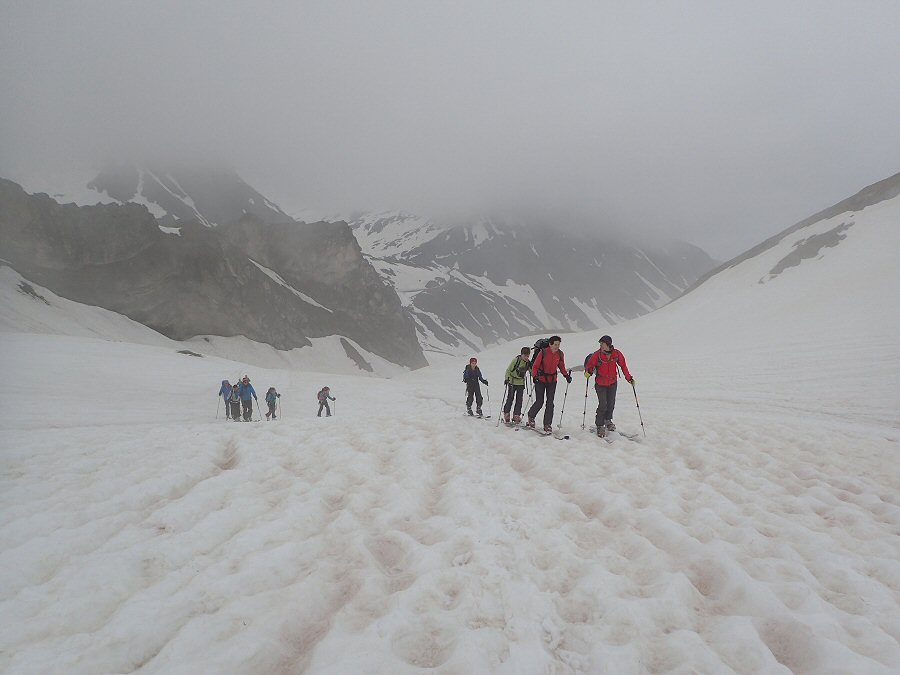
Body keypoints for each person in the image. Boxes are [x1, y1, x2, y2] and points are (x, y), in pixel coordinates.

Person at [584, 335, 634, 438]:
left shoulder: (616, 354)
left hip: (612, 383)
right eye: (600, 343)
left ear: (608, 344)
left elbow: (623, 366)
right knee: (603, 404)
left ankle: (608, 420)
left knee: (611, 403)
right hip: (600, 384)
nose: (600, 345)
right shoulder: (597, 355)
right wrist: (588, 372)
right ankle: (599, 425)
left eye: (602, 343)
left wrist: (629, 378)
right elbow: (590, 365)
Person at [527, 336, 571, 433]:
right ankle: (531, 416)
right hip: (541, 380)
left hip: (552, 380)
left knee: (550, 403)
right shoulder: (543, 352)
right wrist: (534, 376)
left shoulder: (560, 354)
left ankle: (547, 424)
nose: (557, 346)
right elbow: (535, 366)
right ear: (550, 344)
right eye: (555, 344)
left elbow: (561, 366)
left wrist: (566, 376)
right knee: (540, 401)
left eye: (558, 345)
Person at [502, 347, 531, 424]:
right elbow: (508, 370)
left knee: (519, 400)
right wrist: (506, 379)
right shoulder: (516, 360)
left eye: (528, 356)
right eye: (525, 356)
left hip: (521, 383)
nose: (527, 358)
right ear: (521, 355)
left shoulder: (528, 363)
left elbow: (532, 371)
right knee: (510, 398)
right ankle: (506, 414)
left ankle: (516, 415)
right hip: (512, 381)